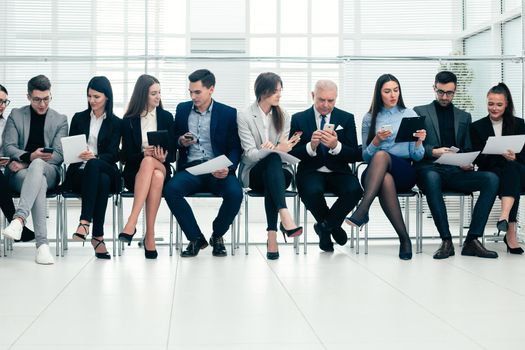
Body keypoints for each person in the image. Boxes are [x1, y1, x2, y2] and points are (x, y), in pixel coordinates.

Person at [414, 70, 499, 259]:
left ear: (455, 91)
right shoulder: (419, 112)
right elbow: (413, 146)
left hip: (454, 172)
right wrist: (433, 151)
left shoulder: (464, 116)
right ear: (434, 88)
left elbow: (467, 148)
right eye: (440, 92)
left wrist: (466, 162)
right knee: (431, 176)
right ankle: (446, 241)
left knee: (491, 179)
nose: (444, 97)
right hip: (429, 170)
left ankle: (472, 240)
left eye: (449, 93)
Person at [345, 74, 426, 260]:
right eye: (387, 91)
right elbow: (365, 156)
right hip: (375, 173)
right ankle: (405, 239)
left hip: (403, 171)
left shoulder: (409, 114)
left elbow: (417, 156)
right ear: (379, 94)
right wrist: (376, 140)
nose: (392, 95)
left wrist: (419, 142)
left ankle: (363, 209)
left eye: (396, 90)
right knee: (385, 176)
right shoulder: (369, 118)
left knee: (382, 156)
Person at [163, 69, 243, 258]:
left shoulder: (228, 113)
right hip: (191, 169)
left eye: (197, 92)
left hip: (218, 169)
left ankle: (217, 235)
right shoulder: (182, 109)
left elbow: (235, 148)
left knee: (235, 193)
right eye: (190, 92)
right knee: (171, 190)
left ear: (211, 89)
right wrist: (181, 141)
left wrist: (228, 167)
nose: (193, 96)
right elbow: (173, 137)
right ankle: (196, 238)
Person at [289, 80, 363, 252]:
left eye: (331, 101)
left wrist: (336, 146)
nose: (325, 105)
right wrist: (311, 146)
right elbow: (291, 154)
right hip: (310, 171)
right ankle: (333, 227)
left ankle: (324, 227)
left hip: (339, 171)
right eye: (321, 100)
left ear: (336, 99)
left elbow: (354, 154)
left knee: (355, 190)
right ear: (313, 96)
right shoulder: (299, 118)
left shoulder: (346, 118)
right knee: (311, 191)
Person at [1, 75, 68, 264]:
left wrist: (28, 162)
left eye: (46, 98)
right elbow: (9, 147)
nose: (42, 104)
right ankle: (42, 246)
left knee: (39, 166)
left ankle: (19, 219)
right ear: (29, 97)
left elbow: (59, 155)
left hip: (50, 171)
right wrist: (31, 157)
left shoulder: (60, 119)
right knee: (39, 180)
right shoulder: (16, 114)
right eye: (37, 99)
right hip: (19, 175)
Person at [237, 72, 303, 260]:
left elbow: (284, 153)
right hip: (254, 171)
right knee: (271, 163)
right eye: (275, 91)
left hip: (279, 172)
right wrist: (270, 150)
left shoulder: (284, 115)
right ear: (262, 91)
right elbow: (249, 154)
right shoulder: (245, 116)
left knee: (273, 167)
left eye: (280, 91)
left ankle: (272, 234)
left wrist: (280, 149)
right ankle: (284, 217)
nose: (279, 95)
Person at [63, 76, 121, 259]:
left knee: (96, 166)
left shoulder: (116, 122)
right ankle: (98, 237)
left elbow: (114, 154)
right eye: (89, 96)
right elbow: (69, 148)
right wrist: (78, 154)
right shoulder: (79, 118)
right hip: (81, 173)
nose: (92, 101)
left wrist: (94, 156)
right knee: (101, 181)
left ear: (107, 98)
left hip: (105, 167)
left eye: (96, 97)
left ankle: (84, 221)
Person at [119, 74, 174, 259]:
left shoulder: (166, 117)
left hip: (163, 165)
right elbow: (125, 156)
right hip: (136, 172)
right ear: (143, 95)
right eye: (153, 93)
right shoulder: (128, 120)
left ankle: (131, 222)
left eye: (159, 93)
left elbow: (173, 154)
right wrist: (144, 154)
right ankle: (150, 235)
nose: (158, 97)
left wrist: (162, 156)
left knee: (154, 165)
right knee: (153, 172)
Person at [470, 83, 524, 254]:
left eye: (499, 104)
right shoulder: (477, 127)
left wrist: (515, 156)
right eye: (490, 104)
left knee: (512, 168)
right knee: (509, 173)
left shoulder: (519, 124)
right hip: (492, 171)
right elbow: (477, 158)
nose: (494, 108)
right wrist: (495, 153)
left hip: (517, 170)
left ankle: (504, 217)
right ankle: (509, 230)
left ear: (506, 104)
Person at [0, 84, 36, 243]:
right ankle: (16, 223)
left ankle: (16, 223)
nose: (2, 106)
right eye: (0, 101)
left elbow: (12, 149)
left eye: (5, 102)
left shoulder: (7, 123)